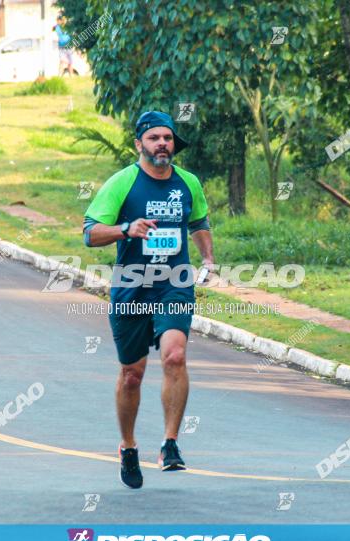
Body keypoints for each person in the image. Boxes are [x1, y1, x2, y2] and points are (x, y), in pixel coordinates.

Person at [82, 111, 214, 489]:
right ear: (140, 143)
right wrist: (126, 229)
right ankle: (127, 446)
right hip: (131, 285)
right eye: (154, 138)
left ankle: (170, 445)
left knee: (174, 355)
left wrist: (207, 258)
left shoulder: (188, 182)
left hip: (174, 282)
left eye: (168, 138)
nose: (162, 144)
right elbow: (90, 234)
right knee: (131, 375)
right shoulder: (122, 182)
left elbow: (199, 223)